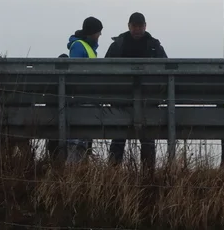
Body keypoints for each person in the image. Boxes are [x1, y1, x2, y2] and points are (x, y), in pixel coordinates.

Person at [105, 12, 166, 173]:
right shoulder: (151, 46)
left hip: (141, 101)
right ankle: (115, 171)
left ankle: (147, 173)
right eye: (134, 26)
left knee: (143, 140)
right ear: (129, 26)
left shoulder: (121, 45)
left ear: (145, 26)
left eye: (140, 26)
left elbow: (104, 69)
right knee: (123, 139)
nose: (137, 29)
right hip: (127, 101)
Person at [64, 17, 103, 162]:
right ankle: (72, 175)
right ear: (92, 33)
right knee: (77, 144)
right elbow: (75, 73)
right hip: (81, 101)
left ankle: (77, 174)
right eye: (98, 33)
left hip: (87, 100)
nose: (99, 36)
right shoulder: (79, 46)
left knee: (82, 143)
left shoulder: (87, 47)